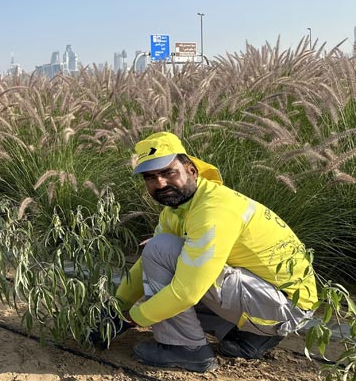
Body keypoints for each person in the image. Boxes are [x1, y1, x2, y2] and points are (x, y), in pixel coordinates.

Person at [111, 132, 317, 373]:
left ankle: (187, 349)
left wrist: (131, 318)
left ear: (191, 170)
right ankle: (250, 336)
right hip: (270, 299)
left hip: (284, 308)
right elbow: (147, 265)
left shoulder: (213, 209)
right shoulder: (177, 210)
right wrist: (116, 307)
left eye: (168, 173)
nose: (160, 183)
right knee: (161, 267)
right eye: (150, 177)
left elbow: (186, 292)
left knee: (164, 260)